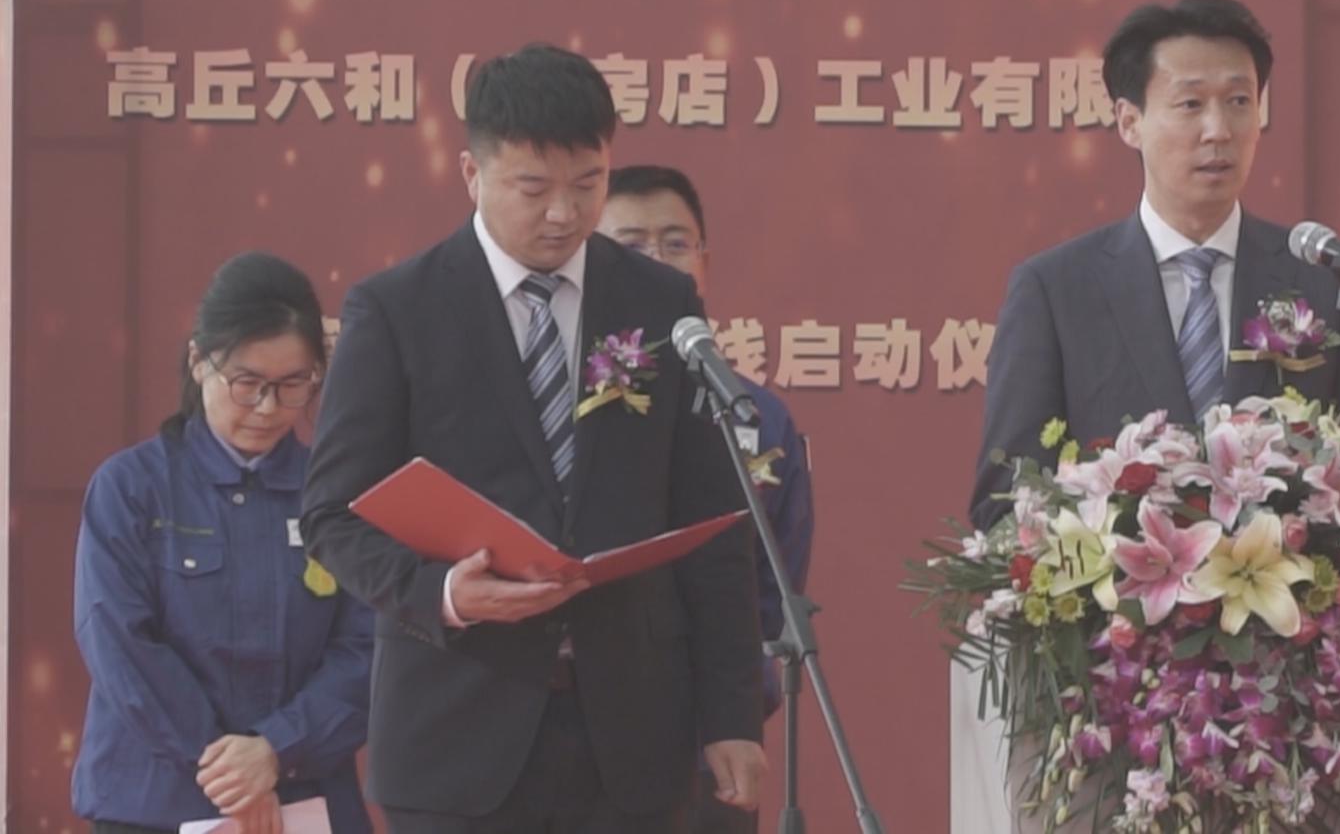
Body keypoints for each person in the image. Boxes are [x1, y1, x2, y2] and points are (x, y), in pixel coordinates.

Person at [301, 43, 766, 833]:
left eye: (588, 183)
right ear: (472, 173)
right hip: (455, 738)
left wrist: (732, 715)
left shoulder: (660, 301)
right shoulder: (398, 310)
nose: (563, 213)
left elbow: (712, 526)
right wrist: (442, 594)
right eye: (533, 187)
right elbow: (331, 514)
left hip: (632, 742)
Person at [969, 0, 1340, 531]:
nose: (1218, 130)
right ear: (1129, 121)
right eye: (1191, 104)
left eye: (1239, 101)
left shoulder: (1326, 284)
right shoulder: (1055, 292)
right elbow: (1007, 504)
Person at [72, 251, 373, 834]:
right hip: (153, 801)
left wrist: (276, 750)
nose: (268, 408)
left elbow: (368, 647)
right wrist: (229, 771)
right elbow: (119, 642)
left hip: (304, 798)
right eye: (247, 384)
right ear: (198, 362)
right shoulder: (131, 487)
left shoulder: (337, 493)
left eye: (293, 385)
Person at [597, 164, 817, 834]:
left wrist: (732, 705)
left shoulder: (756, 416)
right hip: (582, 746)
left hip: (710, 746)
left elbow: (774, 592)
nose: (657, 261)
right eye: (631, 246)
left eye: (674, 243)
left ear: (704, 262)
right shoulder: (567, 405)